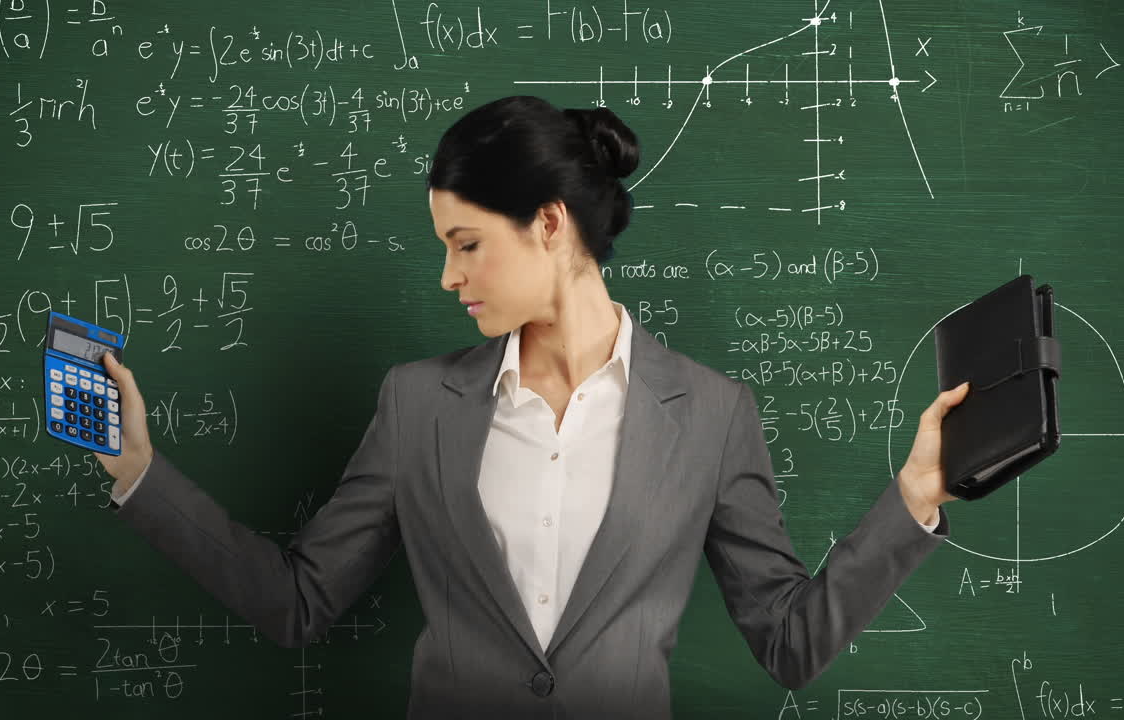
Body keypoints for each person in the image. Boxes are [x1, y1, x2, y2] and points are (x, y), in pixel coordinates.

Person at [97, 95, 970, 719]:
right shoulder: (416, 406)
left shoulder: (710, 413)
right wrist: (140, 472)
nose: (448, 275)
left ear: (549, 224)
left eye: (466, 244)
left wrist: (915, 500)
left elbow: (790, 643)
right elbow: (298, 604)